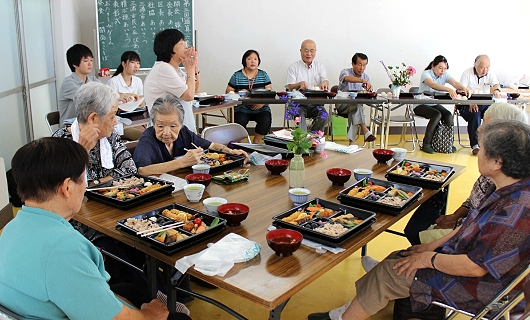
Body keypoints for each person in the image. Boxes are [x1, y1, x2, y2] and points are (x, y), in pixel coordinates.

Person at [308, 119, 530, 320]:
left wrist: (428, 259)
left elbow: (475, 267)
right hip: (465, 261)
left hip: (480, 285)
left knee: (389, 274)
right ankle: (347, 311)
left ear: (497, 162)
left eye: (482, 149)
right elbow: (469, 224)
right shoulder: (504, 187)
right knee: (400, 256)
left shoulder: (516, 209)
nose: (478, 153)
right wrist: (429, 247)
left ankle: (344, 317)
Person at [0, 137, 187, 319]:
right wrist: (149, 315)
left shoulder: (11, 229)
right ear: (67, 188)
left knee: (131, 290)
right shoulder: (64, 249)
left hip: (36, 308)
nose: (85, 187)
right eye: (83, 179)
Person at [133, 94, 249, 176]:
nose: (166, 132)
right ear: (153, 124)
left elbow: (211, 146)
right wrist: (183, 162)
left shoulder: (184, 132)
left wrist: (231, 151)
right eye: (160, 126)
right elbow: (142, 170)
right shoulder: (148, 139)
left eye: (173, 126)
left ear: (181, 124)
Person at [53, 82, 137, 183]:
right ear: (93, 118)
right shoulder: (59, 143)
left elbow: (131, 170)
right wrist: (81, 152)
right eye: (112, 116)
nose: (115, 122)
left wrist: (96, 183)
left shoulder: (110, 136)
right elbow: (64, 186)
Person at [58, 44, 137, 127]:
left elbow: (107, 91)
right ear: (74, 64)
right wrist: (117, 95)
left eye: (91, 60)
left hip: (91, 126)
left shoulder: (93, 80)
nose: (90, 64)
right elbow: (88, 97)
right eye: (86, 61)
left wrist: (126, 95)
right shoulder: (68, 83)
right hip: (71, 129)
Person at [144, 29, 200, 133]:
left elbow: (195, 90)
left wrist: (195, 68)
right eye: (181, 43)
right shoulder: (163, 68)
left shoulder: (174, 69)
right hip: (167, 132)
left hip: (179, 130)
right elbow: (188, 96)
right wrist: (190, 70)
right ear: (170, 48)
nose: (186, 46)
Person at [416, 55, 470, 154]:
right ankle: (426, 144)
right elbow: (433, 85)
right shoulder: (426, 74)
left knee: (448, 115)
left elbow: (455, 83)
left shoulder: (445, 75)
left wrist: (464, 88)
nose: (443, 71)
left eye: (445, 68)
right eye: (440, 68)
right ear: (433, 66)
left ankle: (447, 143)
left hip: (433, 104)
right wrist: (448, 89)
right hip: (420, 104)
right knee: (436, 115)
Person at [226, 50, 272, 144]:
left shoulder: (263, 75)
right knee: (239, 120)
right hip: (242, 107)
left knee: (266, 119)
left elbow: (269, 92)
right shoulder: (237, 75)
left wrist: (261, 103)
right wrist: (238, 94)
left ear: (258, 61)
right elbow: (228, 91)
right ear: (244, 61)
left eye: (255, 59)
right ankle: (242, 144)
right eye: (249, 59)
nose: (253, 61)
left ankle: (256, 141)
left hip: (261, 107)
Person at [458, 54, 502, 155]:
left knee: (495, 114)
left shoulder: (490, 73)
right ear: (475, 65)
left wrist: (496, 90)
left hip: (484, 103)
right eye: (482, 67)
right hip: (467, 104)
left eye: (487, 67)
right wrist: (470, 102)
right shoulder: (467, 73)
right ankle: (475, 145)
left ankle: (489, 143)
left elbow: (496, 84)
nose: (485, 70)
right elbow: (460, 91)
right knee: (475, 113)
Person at [285, 39, 329, 132]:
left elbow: (325, 81)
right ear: (300, 51)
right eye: (306, 50)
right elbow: (290, 87)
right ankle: (302, 141)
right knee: (299, 117)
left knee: (324, 116)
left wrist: (325, 83)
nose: (309, 53)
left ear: (315, 52)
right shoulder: (293, 67)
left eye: (312, 50)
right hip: (298, 104)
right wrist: (299, 84)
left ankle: (312, 139)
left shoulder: (320, 67)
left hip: (316, 104)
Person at [336, 53, 376, 144]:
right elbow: (347, 78)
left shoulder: (366, 76)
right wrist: (361, 80)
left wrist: (369, 91)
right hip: (342, 105)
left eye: (364, 65)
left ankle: (351, 143)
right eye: (359, 64)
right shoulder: (345, 72)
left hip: (355, 107)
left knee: (355, 109)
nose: (362, 68)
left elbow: (369, 92)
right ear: (353, 64)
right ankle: (364, 129)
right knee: (356, 105)